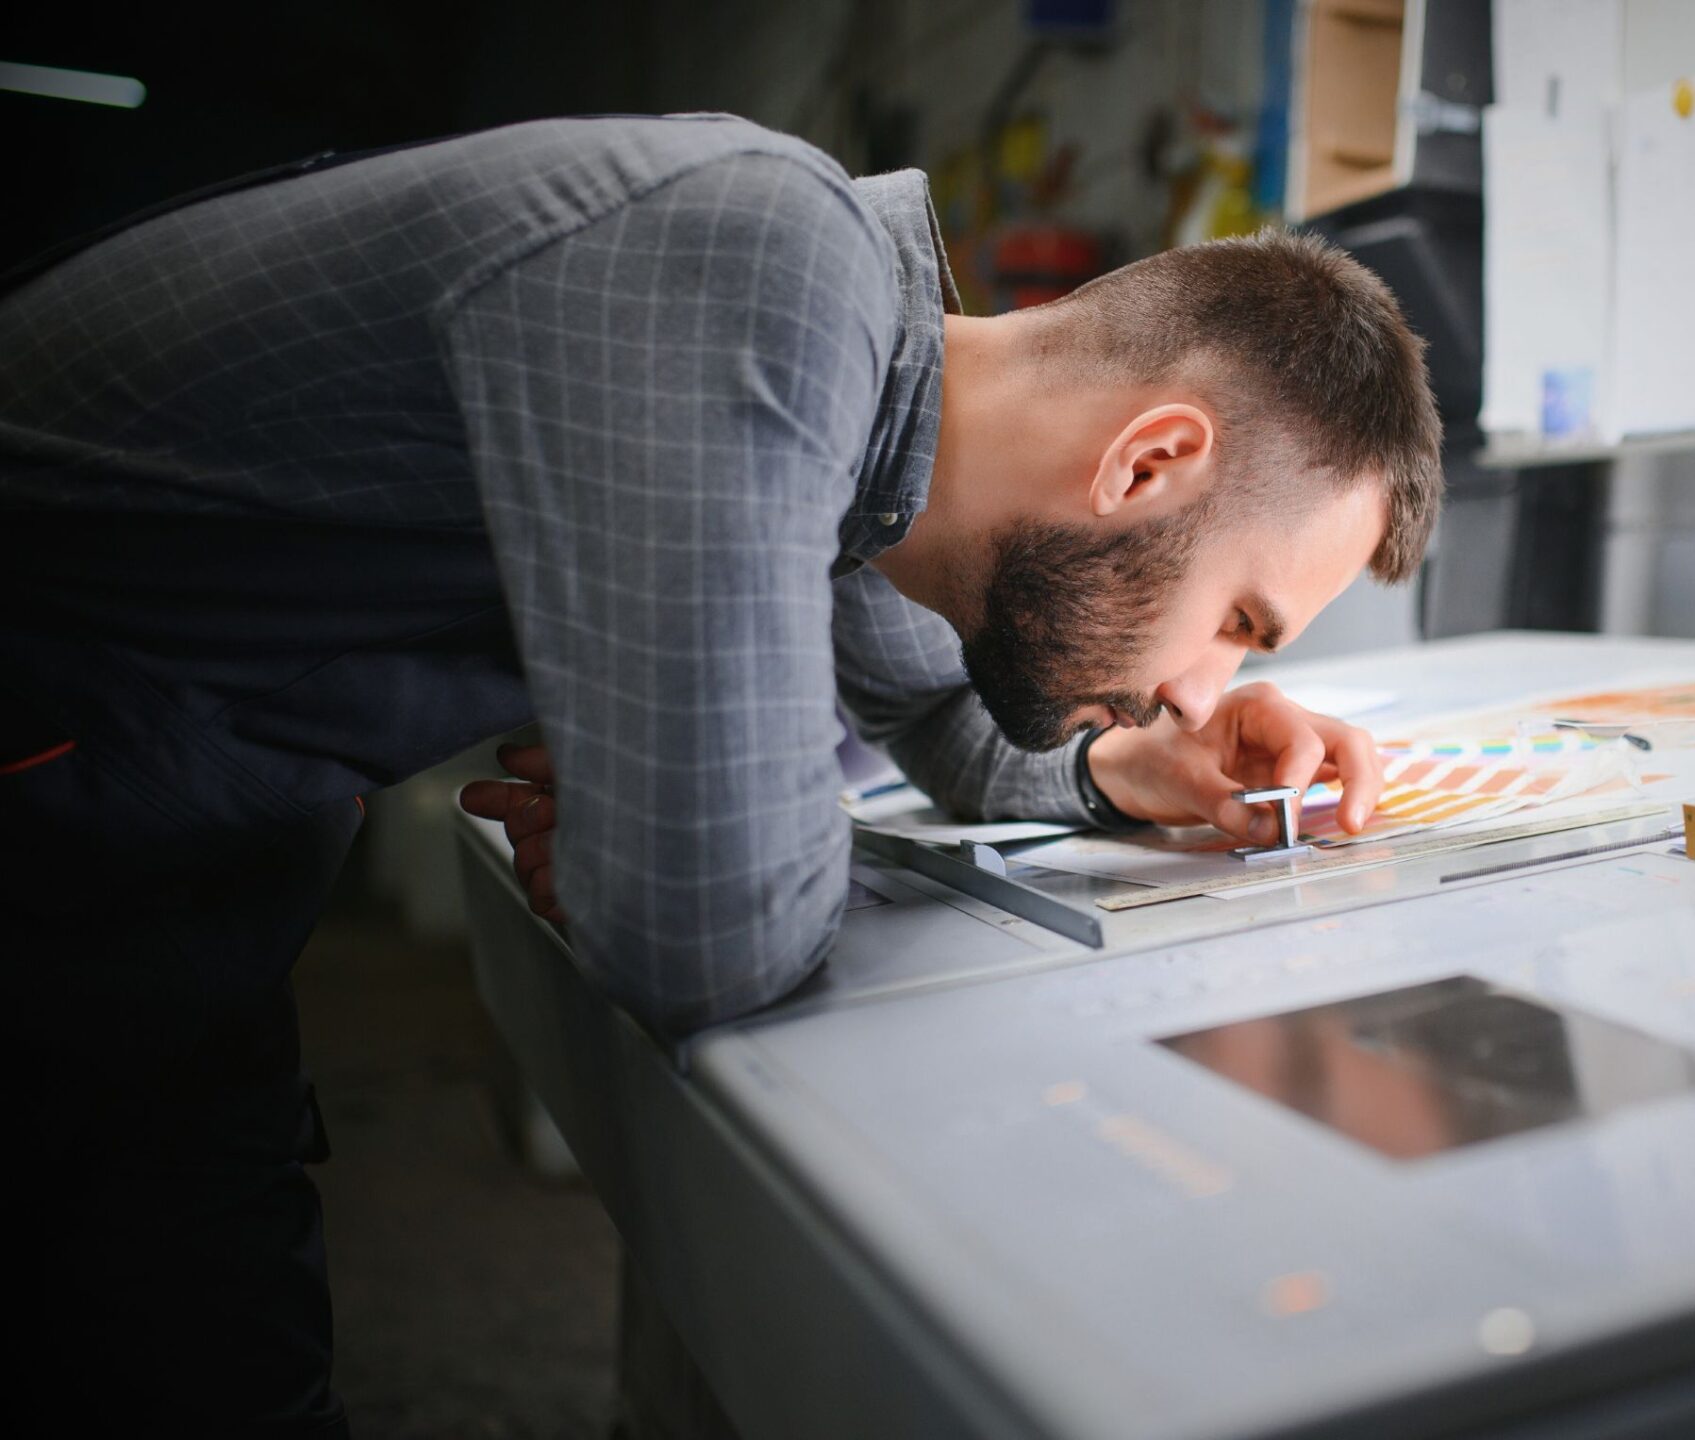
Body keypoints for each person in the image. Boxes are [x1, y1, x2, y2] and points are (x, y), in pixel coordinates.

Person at [1, 113, 1441, 1435]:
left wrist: (1145, 766)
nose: (1207, 684)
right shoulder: (752, 268)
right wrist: (688, 831)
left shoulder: (886, 416)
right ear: (1146, 464)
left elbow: (945, 729)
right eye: (1240, 624)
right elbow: (712, 926)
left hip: (187, 836)